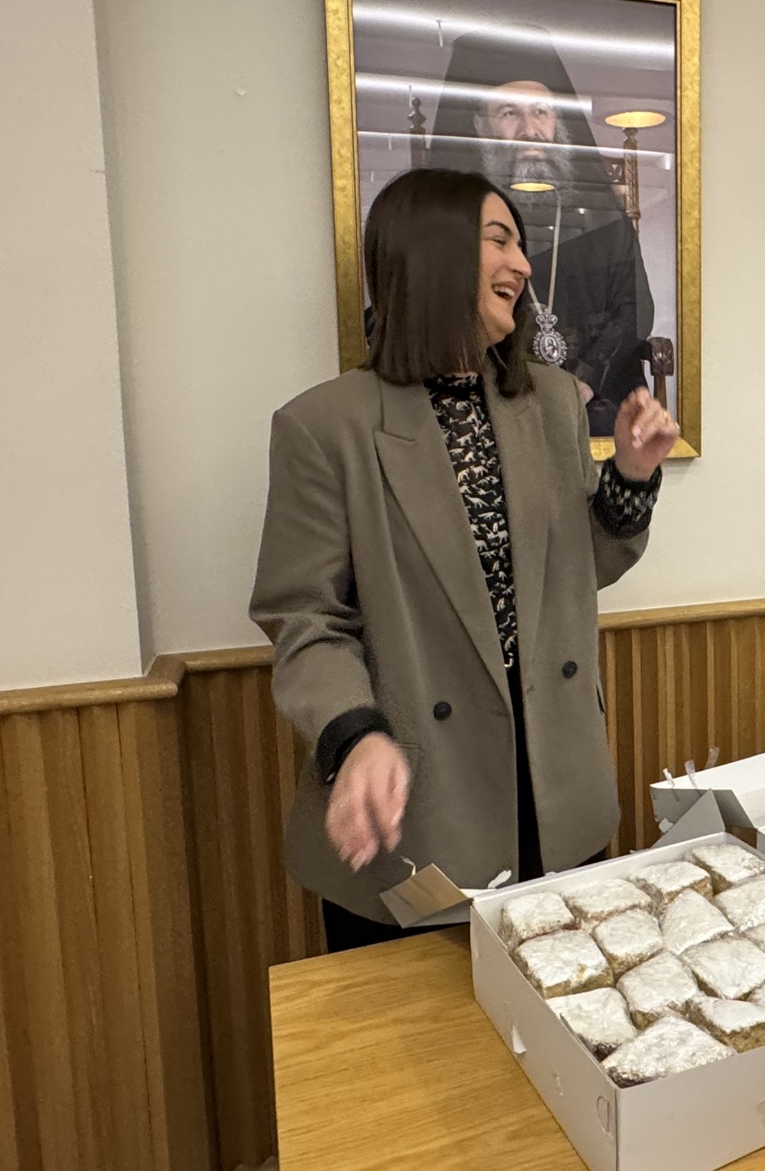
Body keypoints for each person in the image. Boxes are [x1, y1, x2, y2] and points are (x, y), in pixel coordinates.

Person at [251, 166, 679, 951]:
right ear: (431, 254)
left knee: (568, 1008)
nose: (521, 264)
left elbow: (577, 569)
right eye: (499, 240)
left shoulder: (552, 400)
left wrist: (631, 475)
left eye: (519, 243)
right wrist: (355, 735)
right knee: (422, 1028)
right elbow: (306, 620)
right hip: (414, 800)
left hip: (553, 787)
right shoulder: (324, 427)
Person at [423, 27, 655, 438]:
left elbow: (634, 308)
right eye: (509, 113)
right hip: (498, 407)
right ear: (480, 125)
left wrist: (582, 381)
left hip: (597, 404)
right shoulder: (455, 224)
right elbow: (442, 317)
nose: (530, 130)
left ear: (558, 123)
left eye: (541, 112)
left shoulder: (599, 219)